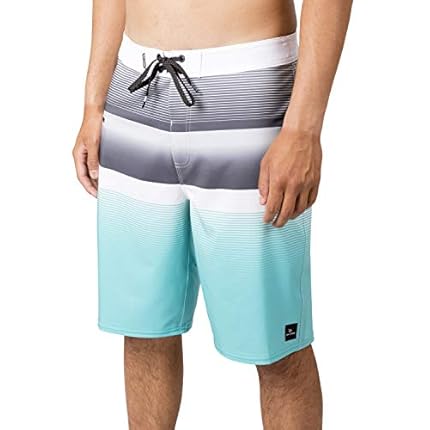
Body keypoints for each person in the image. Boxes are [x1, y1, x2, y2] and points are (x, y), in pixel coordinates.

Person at [73, 0, 352, 428]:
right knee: (144, 328)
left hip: (249, 90)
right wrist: (93, 104)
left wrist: (303, 129)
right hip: (136, 89)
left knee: (275, 344)